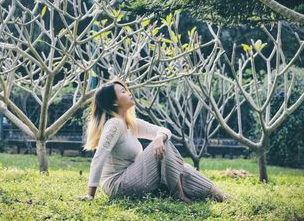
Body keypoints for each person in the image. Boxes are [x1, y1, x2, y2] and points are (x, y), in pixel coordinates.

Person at [78, 78, 228, 202]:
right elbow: (99, 157)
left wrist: (158, 138)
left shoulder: (130, 123)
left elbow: (164, 130)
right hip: (118, 184)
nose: (129, 93)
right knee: (166, 145)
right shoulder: (114, 124)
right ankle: (179, 195)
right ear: (114, 102)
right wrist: (90, 194)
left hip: (134, 178)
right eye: (123, 92)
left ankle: (222, 197)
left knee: (184, 168)